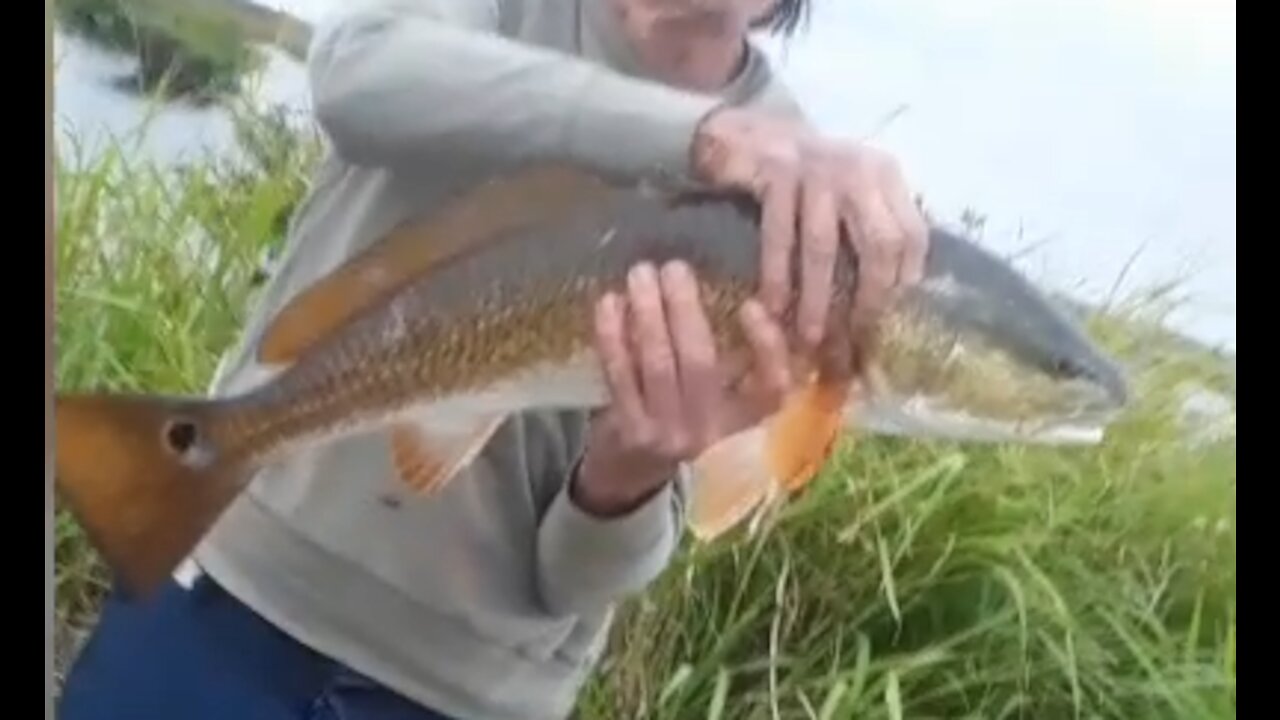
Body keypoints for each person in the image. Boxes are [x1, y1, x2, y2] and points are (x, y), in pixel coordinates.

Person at [57, 0, 928, 718]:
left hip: (459, 698)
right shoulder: (495, 14)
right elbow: (357, 74)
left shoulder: (808, 213)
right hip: (229, 597)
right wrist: (696, 138)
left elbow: (581, 580)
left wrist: (626, 475)